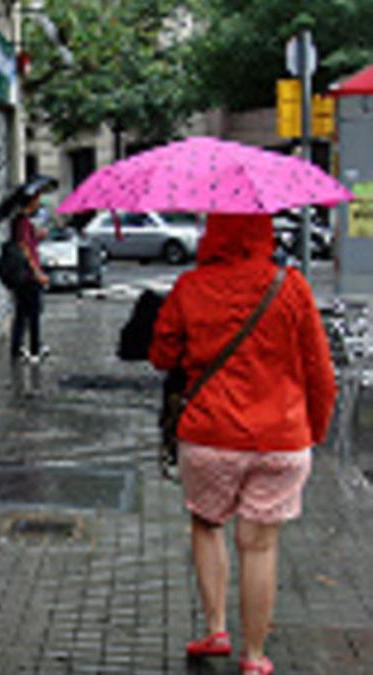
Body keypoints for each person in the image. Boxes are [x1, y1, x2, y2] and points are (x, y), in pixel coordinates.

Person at [149, 213, 336, 675]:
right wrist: (315, 430)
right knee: (259, 546)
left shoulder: (191, 286)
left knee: (207, 524)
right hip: (281, 437)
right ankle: (254, 657)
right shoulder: (290, 286)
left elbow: (161, 356)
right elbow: (319, 370)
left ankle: (215, 629)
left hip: (210, 435)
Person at [10, 194, 50, 362]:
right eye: (37, 200)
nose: (39, 203)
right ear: (31, 201)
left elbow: (28, 244)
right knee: (32, 312)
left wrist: (38, 236)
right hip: (28, 276)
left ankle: (19, 348)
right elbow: (24, 248)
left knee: (23, 312)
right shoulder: (22, 222)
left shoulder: (23, 222)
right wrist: (37, 272)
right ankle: (34, 348)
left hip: (27, 274)